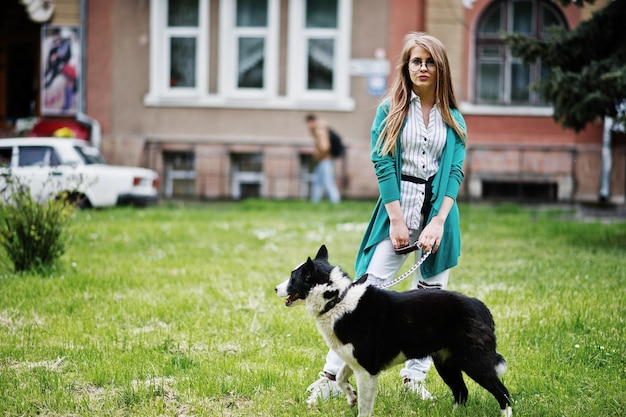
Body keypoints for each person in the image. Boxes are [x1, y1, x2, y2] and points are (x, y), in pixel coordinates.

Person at [304, 32, 467, 405]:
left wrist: (438, 222)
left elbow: (454, 172)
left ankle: (414, 377)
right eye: (416, 61)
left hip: (438, 216)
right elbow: (382, 162)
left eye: (429, 62)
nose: (422, 68)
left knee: (430, 300)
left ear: (440, 68)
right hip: (396, 212)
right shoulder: (389, 110)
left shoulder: (453, 117)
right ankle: (330, 376)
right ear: (406, 67)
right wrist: (396, 219)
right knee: (361, 295)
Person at [305, 113, 341, 204]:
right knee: (317, 180)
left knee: (328, 181)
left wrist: (318, 154)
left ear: (311, 121)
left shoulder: (319, 130)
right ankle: (315, 201)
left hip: (326, 159)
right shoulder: (320, 128)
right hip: (324, 159)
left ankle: (335, 200)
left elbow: (325, 147)